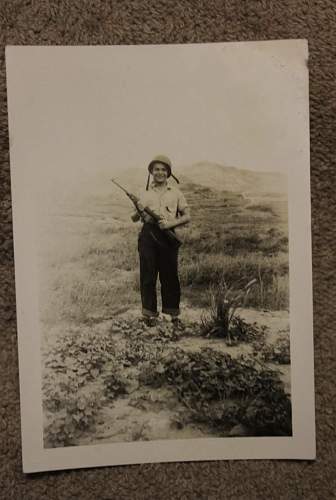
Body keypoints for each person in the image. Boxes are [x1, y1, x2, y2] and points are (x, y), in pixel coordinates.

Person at [131, 155, 191, 327]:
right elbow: (134, 218)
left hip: (168, 236)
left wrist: (170, 223)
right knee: (147, 275)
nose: (160, 172)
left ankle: (172, 314)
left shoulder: (176, 193)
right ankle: (148, 314)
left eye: (164, 169)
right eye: (156, 169)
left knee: (170, 276)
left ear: (169, 173)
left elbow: (188, 216)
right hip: (147, 237)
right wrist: (139, 209)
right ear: (151, 171)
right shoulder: (143, 192)